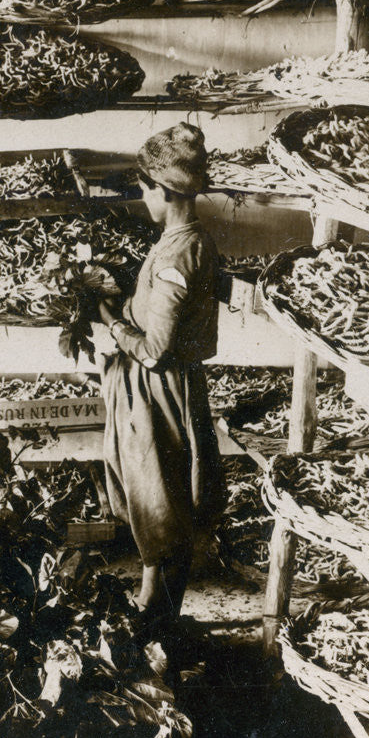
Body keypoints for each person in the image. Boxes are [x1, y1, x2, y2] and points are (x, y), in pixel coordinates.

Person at [98, 122, 227, 621]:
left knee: (159, 496)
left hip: (155, 391)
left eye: (144, 190)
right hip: (164, 388)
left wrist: (111, 324)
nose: (143, 199)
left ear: (164, 191)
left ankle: (158, 614)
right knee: (162, 496)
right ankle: (157, 602)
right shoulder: (185, 239)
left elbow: (155, 350)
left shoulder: (178, 251)